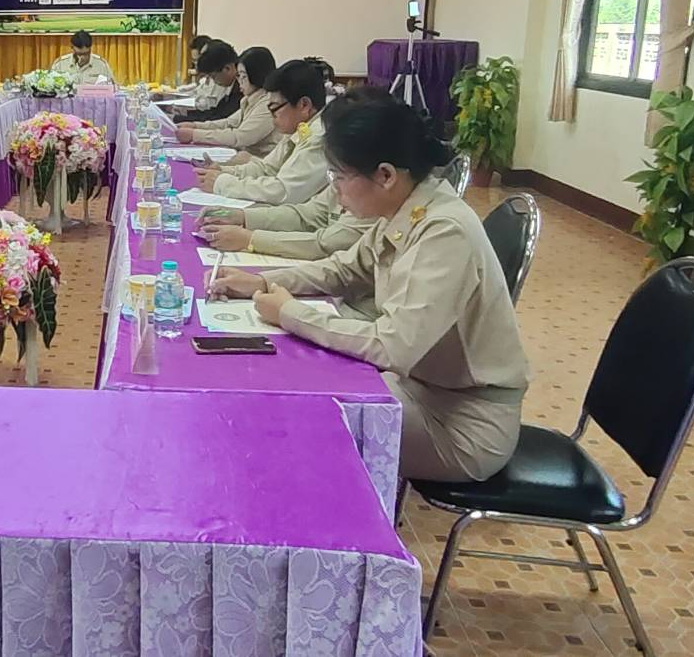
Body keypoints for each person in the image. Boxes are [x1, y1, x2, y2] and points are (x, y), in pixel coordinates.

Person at [210, 94, 531, 483]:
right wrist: (264, 282)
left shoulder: (444, 231)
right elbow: (344, 269)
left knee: (295, 418)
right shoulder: (406, 208)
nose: (335, 191)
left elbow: (393, 346)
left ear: (385, 175)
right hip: (418, 388)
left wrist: (291, 313)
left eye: (340, 177)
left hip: (463, 424)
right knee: (287, 384)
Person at [197, 90, 387, 263]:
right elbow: (309, 214)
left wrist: (250, 239)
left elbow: (324, 244)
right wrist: (242, 217)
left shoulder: (374, 186)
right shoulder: (344, 162)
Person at [195, 58, 331, 205]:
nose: (271, 116)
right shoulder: (300, 127)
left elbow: (284, 192)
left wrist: (224, 184)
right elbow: (267, 168)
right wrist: (224, 171)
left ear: (304, 105)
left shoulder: (319, 137)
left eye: (274, 108)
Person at [176, 46, 279, 155]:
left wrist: (195, 135)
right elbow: (228, 123)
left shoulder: (267, 104)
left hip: (258, 160)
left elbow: (240, 137)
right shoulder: (249, 100)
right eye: (238, 76)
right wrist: (195, 126)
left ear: (257, 75)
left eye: (243, 76)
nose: (239, 81)